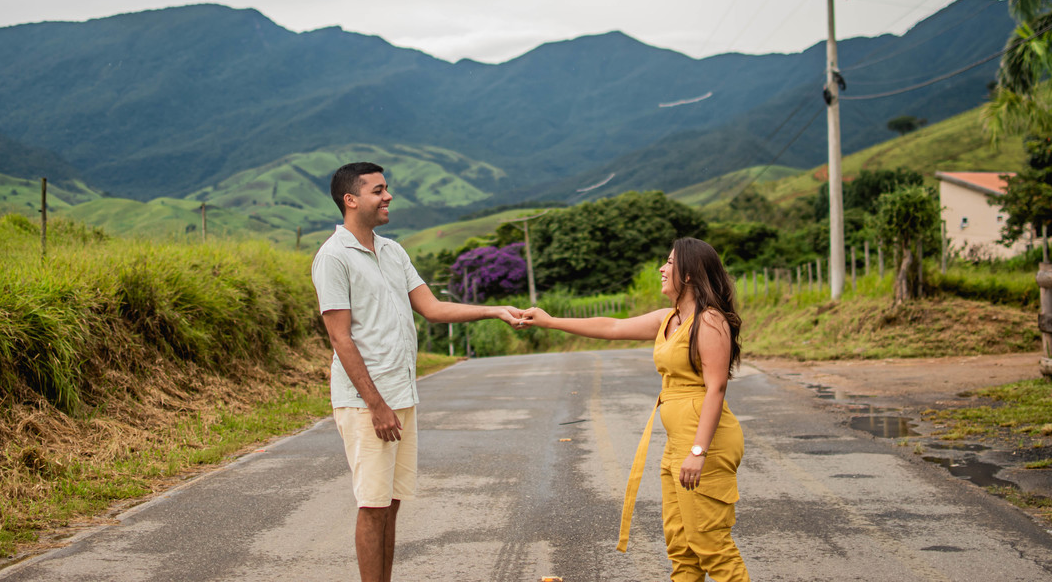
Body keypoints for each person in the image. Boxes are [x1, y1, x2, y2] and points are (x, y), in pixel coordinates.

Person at [311, 161, 527, 582]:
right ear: (351, 200)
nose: (388, 196)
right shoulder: (332, 258)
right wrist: (376, 405)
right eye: (378, 190)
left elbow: (432, 308)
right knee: (372, 506)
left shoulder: (393, 251)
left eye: (386, 188)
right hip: (366, 403)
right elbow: (340, 339)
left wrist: (494, 311)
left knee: (390, 503)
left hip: (402, 395)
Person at [523, 237, 749, 582]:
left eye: (670, 263)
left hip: (705, 443)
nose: (662, 268)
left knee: (711, 544)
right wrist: (550, 321)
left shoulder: (710, 321)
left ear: (689, 274)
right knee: (681, 547)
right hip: (678, 443)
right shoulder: (669, 319)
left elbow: (716, 387)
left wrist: (698, 451)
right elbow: (612, 326)